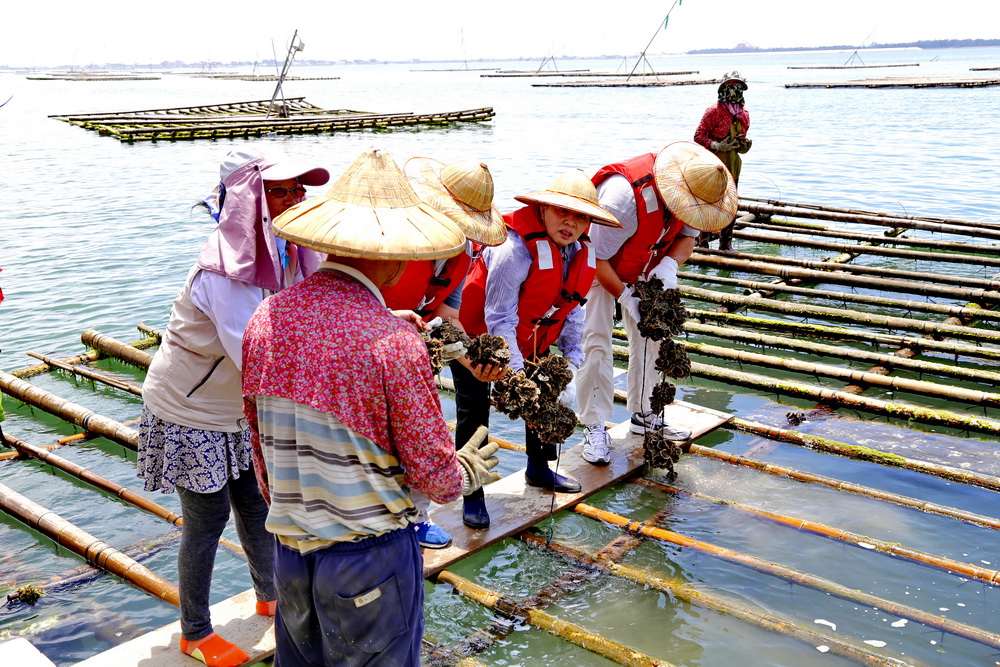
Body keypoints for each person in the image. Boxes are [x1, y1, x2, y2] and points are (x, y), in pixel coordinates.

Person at [242, 147, 501, 666]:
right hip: (367, 561)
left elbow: (260, 456)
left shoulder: (265, 318)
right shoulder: (391, 342)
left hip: (289, 553)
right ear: (389, 250)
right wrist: (466, 470)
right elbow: (436, 477)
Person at [137, 148, 330, 667]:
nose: (298, 199)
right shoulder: (225, 270)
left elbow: (308, 320)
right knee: (206, 520)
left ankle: (271, 595)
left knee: (256, 504)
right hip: (190, 410)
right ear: (252, 202)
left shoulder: (288, 254)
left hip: (237, 410)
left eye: (300, 189)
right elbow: (257, 353)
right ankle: (195, 632)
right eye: (283, 190)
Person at [458, 169, 621, 525]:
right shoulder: (513, 249)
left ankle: (539, 469)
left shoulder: (579, 251)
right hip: (481, 337)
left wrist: (573, 361)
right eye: (563, 211)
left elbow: (573, 308)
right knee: (474, 414)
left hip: (533, 336)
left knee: (546, 397)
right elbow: (499, 317)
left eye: (581, 216)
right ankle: (472, 492)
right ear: (543, 209)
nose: (571, 222)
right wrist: (516, 375)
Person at [577, 142, 737, 465]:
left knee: (655, 335)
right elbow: (596, 257)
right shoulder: (624, 198)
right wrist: (625, 296)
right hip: (600, 265)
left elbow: (686, 239)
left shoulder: (695, 195)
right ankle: (594, 424)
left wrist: (670, 265)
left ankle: (645, 413)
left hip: (645, 262)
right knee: (596, 340)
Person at [381, 157, 509, 548]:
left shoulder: (463, 252)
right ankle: (380, 524)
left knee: (418, 432)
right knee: (376, 439)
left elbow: (446, 314)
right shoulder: (393, 240)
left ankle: (416, 517)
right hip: (369, 347)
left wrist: (472, 362)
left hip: (414, 350)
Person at [693, 70, 751, 250]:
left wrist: (743, 145)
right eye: (730, 86)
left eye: (738, 87)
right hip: (712, 166)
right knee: (708, 204)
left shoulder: (743, 115)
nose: (734, 90)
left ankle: (726, 244)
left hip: (733, 167)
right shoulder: (714, 111)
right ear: (723, 88)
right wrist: (717, 145)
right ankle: (702, 244)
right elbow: (698, 136)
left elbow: (741, 144)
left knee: (731, 206)